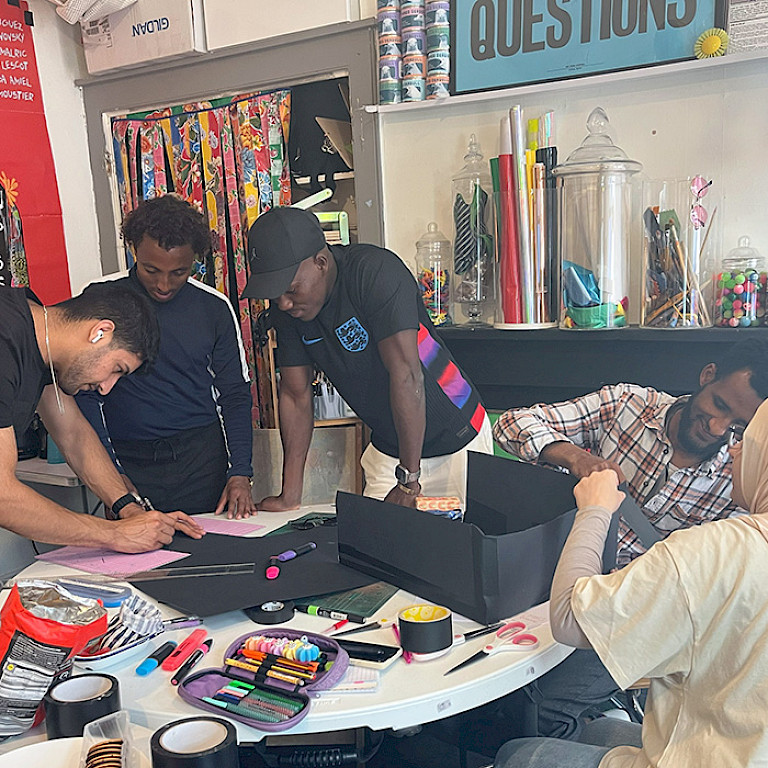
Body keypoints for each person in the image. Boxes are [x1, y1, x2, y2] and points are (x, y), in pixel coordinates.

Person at [493, 341, 768, 739]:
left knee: (544, 702)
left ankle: (591, 727)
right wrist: (576, 457)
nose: (717, 429)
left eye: (738, 427)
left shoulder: (741, 472)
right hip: (559, 574)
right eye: (719, 405)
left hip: (636, 610)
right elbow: (511, 424)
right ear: (707, 376)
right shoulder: (628, 405)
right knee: (498, 672)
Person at [240, 206, 493, 510]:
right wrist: (290, 495)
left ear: (320, 263)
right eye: (275, 294)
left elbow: (406, 375)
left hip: (457, 441)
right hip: (389, 449)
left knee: (455, 541)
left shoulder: (374, 273)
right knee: (369, 540)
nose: (283, 303)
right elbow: (295, 396)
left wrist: (409, 481)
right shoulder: (290, 312)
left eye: (291, 290)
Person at [77, 195, 256, 518]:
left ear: (194, 261)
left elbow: (234, 394)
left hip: (202, 463)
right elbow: (85, 395)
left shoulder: (213, 308)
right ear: (133, 249)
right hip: (128, 461)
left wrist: (240, 472)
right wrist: (110, 473)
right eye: (151, 269)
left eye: (179, 272)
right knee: (136, 549)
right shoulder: (101, 299)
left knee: (213, 546)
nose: (163, 284)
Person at [0, 282, 204, 553]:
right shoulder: (5, 337)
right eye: (117, 369)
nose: (106, 388)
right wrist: (115, 534)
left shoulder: (37, 332)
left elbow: (72, 432)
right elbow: (2, 495)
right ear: (100, 332)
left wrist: (130, 510)